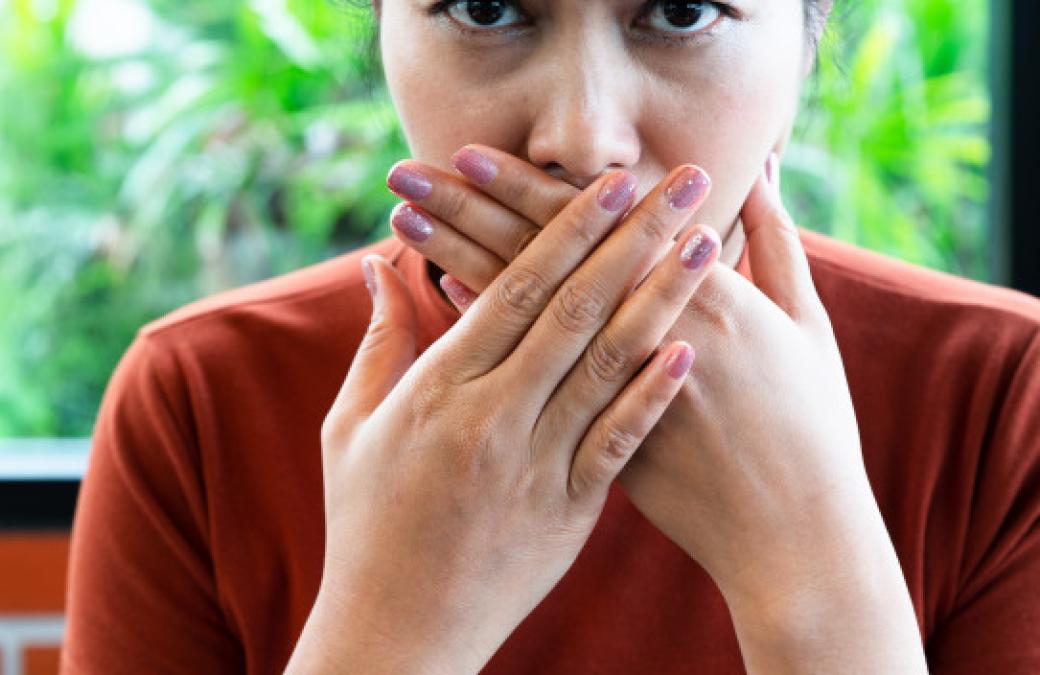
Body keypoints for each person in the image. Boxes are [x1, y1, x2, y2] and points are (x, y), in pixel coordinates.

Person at [61, 1, 1040, 673]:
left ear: (803, 39)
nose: (581, 136)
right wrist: (390, 627)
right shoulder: (201, 398)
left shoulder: (1006, 397)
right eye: (487, 8)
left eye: (683, 10)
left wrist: (819, 571)